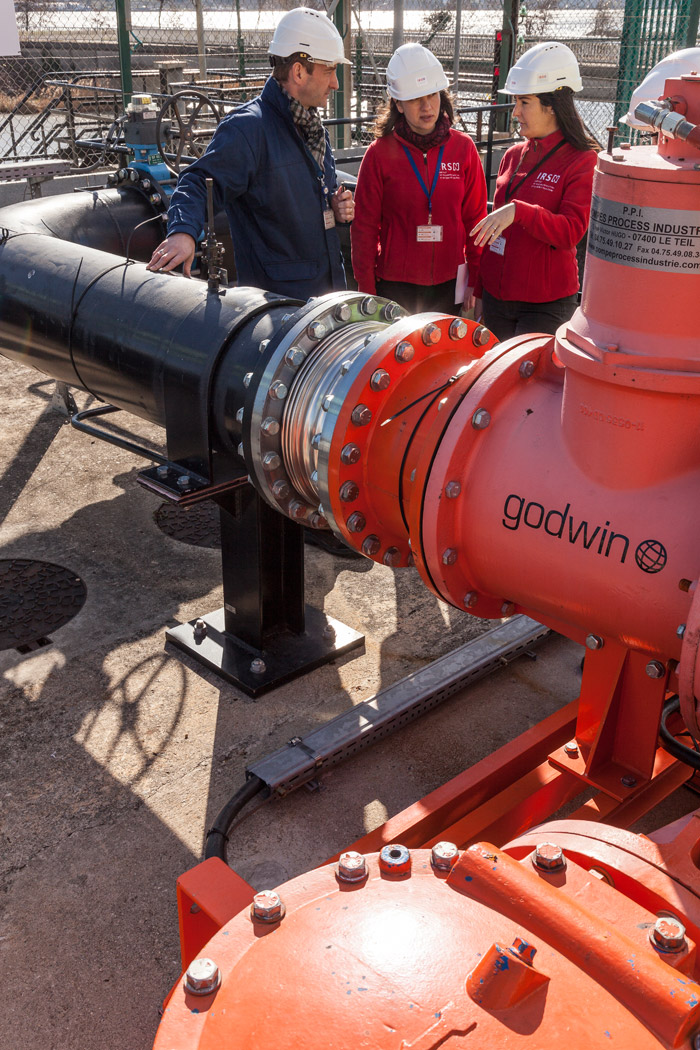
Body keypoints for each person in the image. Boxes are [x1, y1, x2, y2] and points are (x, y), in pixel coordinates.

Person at [146, 7, 354, 301]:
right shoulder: (249, 129)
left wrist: (334, 205)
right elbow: (197, 181)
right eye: (330, 70)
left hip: (325, 299)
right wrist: (183, 231)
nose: (335, 83)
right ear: (298, 71)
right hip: (280, 308)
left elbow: (309, 195)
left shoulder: (312, 128)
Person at [471, 41, 599, 341]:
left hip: (544, 306)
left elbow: (571, 232)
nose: (515, 112)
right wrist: (479, 288)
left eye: (524, 102)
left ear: (552, 105)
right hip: (496, 299)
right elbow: (494, 234)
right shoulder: (513, 155)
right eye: (516, 102)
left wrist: (520, 211)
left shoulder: (582, 160)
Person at [350, 43, 487, 315]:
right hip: (394, 286)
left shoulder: (464, 149)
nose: (427, 107)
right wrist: (367, 291)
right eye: (415, 99)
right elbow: (364, 228)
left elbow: (476, 220)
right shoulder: (379, 155)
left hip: (450, 284)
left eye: (432, 95)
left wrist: (477, 280)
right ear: (398, 104)